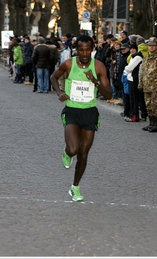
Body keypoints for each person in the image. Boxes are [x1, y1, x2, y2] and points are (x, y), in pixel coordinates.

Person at [50, 35, 112, 201]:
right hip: (71, 111)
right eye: (81, 50)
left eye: (88, 50)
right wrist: (59, 92)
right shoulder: (69, 64)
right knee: (73, 149)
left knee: (83, 153)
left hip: (90, 112)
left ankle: (75, 187)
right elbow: (53, 77)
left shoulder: (98, 67)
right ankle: (67, 152)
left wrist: (95, 81)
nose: (84, 53)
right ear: (76, 50)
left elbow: (109, 94)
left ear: (92, 50)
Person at [139, 36, 157, 132]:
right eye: (150, 46)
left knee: (156, 106)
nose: (151, 47)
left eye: (153, 46)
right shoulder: (146, 57)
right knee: (148, 105)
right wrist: (140, 83)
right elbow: (142, 71)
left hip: (155, 86)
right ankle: (151, 123)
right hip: (147, 85)